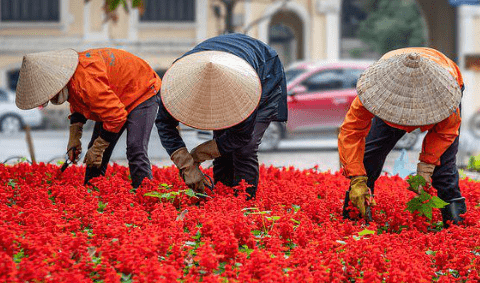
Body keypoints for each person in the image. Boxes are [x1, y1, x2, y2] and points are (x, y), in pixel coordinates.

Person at [338, 47, 466, 227]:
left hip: (441, 82)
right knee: (369, 157)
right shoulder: (375, 91)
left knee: (444, 170)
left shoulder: (445, 95)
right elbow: (352, 132)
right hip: (391, 96)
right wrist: (357, 178)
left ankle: (456, 225)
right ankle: (356, 216)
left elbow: (445, 132)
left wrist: (427, 167)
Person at [155, 33, 288, 199]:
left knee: (244, 149)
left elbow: (241, 136)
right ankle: (221, 201)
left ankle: (243, 206)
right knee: (224, 149)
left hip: (264, 72)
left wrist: (199, 154)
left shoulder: (243, 89)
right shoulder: (174, 83)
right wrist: (187, 165)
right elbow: (164, 124)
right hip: (226, 59)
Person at [15, 48, 162, 189]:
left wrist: (98, 149)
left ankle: (145, 194)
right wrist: (74, 139)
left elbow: (116, 117)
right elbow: (78, 104)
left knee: (135, 148)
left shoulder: (87, 81)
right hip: (116, 96)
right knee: (95, 148)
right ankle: (92, 192)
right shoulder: (72, 79)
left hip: (143, 90)